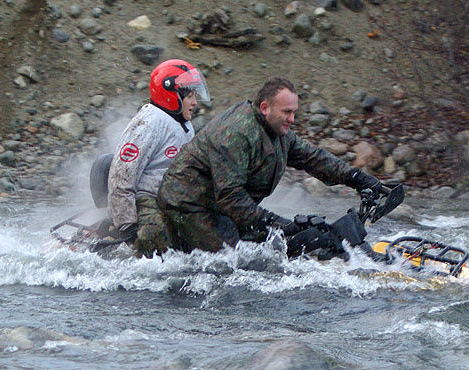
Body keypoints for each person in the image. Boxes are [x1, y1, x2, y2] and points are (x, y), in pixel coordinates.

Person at [156, 76, 388, 255]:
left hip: (221, 205)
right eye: (287, 112)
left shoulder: (277, 130)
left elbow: (313, 158)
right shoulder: (235, 134)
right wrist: (280, 225)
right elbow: (230, 197)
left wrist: (357, 178)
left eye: (294, 112)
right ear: (265, 108)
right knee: (233, 262)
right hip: (188, 205)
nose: (292, 119)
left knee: (282, 245)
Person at [106, 59, 210, 256]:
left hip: (172, 198)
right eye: (189, 96)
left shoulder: (184, 124)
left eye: (195, 95)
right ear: (171, 95)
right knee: (156, 234)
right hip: (146, 198)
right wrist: (127, 227)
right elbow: (121, 176)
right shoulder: (148, 123)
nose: (195, 102)